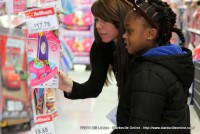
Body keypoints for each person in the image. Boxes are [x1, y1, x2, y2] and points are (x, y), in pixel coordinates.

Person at [112, 0, 194, 134]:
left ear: (150, 34)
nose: (124, 35)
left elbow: (140, 128)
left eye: (130, 30)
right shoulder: (168, 62)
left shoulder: (149, 74)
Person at [58, 0, 131, 99]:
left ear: (120, 19)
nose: (98, 26)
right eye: (96, 20)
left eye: (105, 20)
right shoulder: (101, 47)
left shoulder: (138, 45)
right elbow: (93, 88)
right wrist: (68, 84)